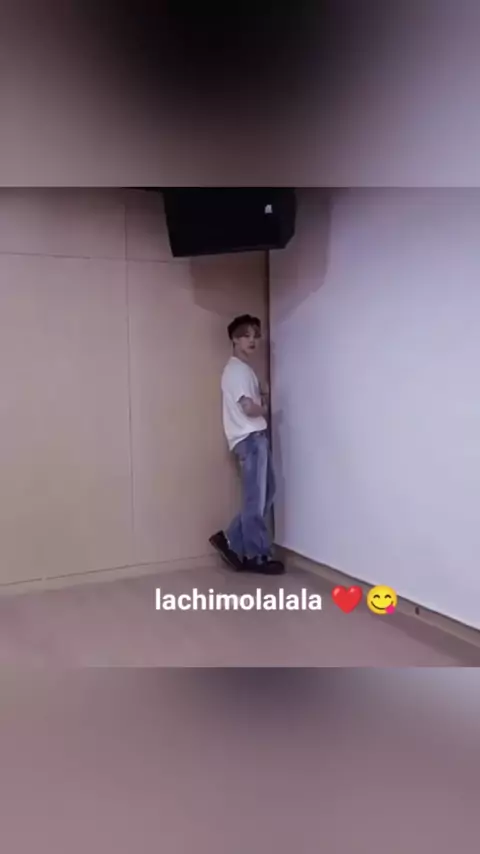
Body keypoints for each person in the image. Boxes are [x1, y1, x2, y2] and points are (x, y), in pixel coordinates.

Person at [209, 314, 284, 574]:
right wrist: (266, 406)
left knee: (266, 493)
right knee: (256, 500)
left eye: (255, 336)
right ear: (234, 339)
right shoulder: (236, 371)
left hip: (254, 438)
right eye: (245, 336)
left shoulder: (243, 370)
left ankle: (230, 540)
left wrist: (261, 397)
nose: (252, 341)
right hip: (250, 439)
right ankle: (257, 555)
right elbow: (248, 408)